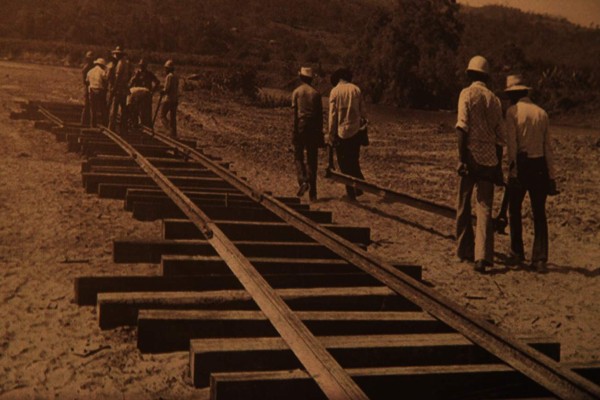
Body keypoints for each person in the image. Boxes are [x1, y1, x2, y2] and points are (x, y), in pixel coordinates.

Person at [455, 55, 506, 273]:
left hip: (471, 156)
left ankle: (465, 249)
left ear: (470, 74)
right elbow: (500, 137)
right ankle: (482, 257)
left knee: (464, 204)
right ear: (486, 76)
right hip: (489, 159)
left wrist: (461, 159)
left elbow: (462, 128)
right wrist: (497, 166)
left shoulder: (467, 94)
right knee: (484, 207)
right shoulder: (495, 100)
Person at [505, 74, 558, 273]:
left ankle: (517, 251)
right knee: (539, 213)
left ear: (514, 94)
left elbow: (512, 146)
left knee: (514, 209)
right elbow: (548, 149)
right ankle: (540, 258)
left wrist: (513, 171)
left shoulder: (512, 112)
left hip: (522, 163)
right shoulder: (542, 113)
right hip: (540, 166)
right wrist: (552, 177)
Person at [328, 67, 367, 201]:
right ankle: (359, 186)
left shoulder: (334, 92)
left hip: (341, 131)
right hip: (355, 131)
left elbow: (333, 116)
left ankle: (351, 193)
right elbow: (363, 114)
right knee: (354, 161)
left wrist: (331, 134)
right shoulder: (356, 90)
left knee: (343, 163)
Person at [291, 67, 324, 201]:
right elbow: (320, 117)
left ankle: (303, 180)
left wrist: (294, 131)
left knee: (298, 155)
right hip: (314, 127)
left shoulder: (297, 92)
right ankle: (313, 194)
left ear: (301, 77)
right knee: (312, 159)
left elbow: (295, 115)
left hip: (301, 125)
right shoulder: (316, 94)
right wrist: (320, 133)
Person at [129, 58, 160, 127]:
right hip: (138, 95)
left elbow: (157, 82)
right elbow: (131, 82)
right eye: (141, 65)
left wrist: (152, 91)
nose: (142, 67)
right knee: (136, 110)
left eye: (143, 66)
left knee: (146, 112)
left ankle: (146, 126)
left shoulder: (149, 74)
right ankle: (136, 124)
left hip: (145, 95)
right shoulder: (137, 73)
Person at [108, 46, 131, 134]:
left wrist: (114, 87)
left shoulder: (120, 63)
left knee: (114, 107)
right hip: (124, 88)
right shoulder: (126, 62)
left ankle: (111, 127)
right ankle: (123, 128)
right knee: (123, 109)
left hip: (119, 89)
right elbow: (129, 74)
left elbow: (117, 77)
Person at [86, 58, 108, 127]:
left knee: (93, 109)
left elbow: (87, 81)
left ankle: (93, 124)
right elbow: (106, 80)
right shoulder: (102, 71)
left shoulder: (90, 71)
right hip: (100, 90)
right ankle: (104, 123)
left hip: (92, 90)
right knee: (103, 108)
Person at [160, 59, 179, 137]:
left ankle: (169, 130)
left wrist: (162, 91)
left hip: (168, 99)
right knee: (173, 117)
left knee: (162, 115)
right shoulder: (176, 76)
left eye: (166, 68)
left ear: (168, 69)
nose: (165, 70)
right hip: (175, 99)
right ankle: (174, 133)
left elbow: (167, 89)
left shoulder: (169, 76)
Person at [80, 50, 94, 126]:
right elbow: (84, 81)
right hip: (87, 87)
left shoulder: (92, 66)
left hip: (91, 87)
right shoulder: (86, 68)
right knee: (86, 105)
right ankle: (84, 122)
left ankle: (86, 122)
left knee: (89, 105)